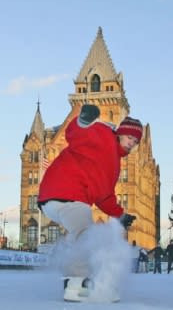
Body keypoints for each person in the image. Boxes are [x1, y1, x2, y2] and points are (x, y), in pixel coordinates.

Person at [37, 104, 142, 302]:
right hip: (67, 191)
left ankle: (74, 275)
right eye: (129, 137)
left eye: (135, 141)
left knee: (78, 235)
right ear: (120, 133)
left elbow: (104, 196)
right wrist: (83, 121)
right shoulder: (104, 136)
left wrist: (119, 213)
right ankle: (76, 283)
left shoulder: (113, 164)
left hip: (59, 198)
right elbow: (76, 134)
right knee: (86, 236)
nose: (131, 143)